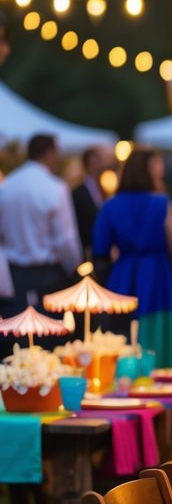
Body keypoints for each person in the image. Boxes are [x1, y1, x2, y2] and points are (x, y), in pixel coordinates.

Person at [92, 148, 172, 367]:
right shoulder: (160, 203)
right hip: (157, 275)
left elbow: (99, 251)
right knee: (158, 333)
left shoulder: (110, 206)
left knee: (122, 335)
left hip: (122, 275)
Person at [0, 134, 82, 352]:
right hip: (47, 275)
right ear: (50, 153)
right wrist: (73, 268)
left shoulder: (7, 186)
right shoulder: (54, 187)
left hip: (14, 274)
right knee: (50, 341)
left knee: (16, 342)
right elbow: (66, 240)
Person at [72, 146, 105, 260]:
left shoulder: (105, 189)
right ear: (87, 164)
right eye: (95, 161)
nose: (99, 165)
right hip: (88, 250)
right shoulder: (77, 193)